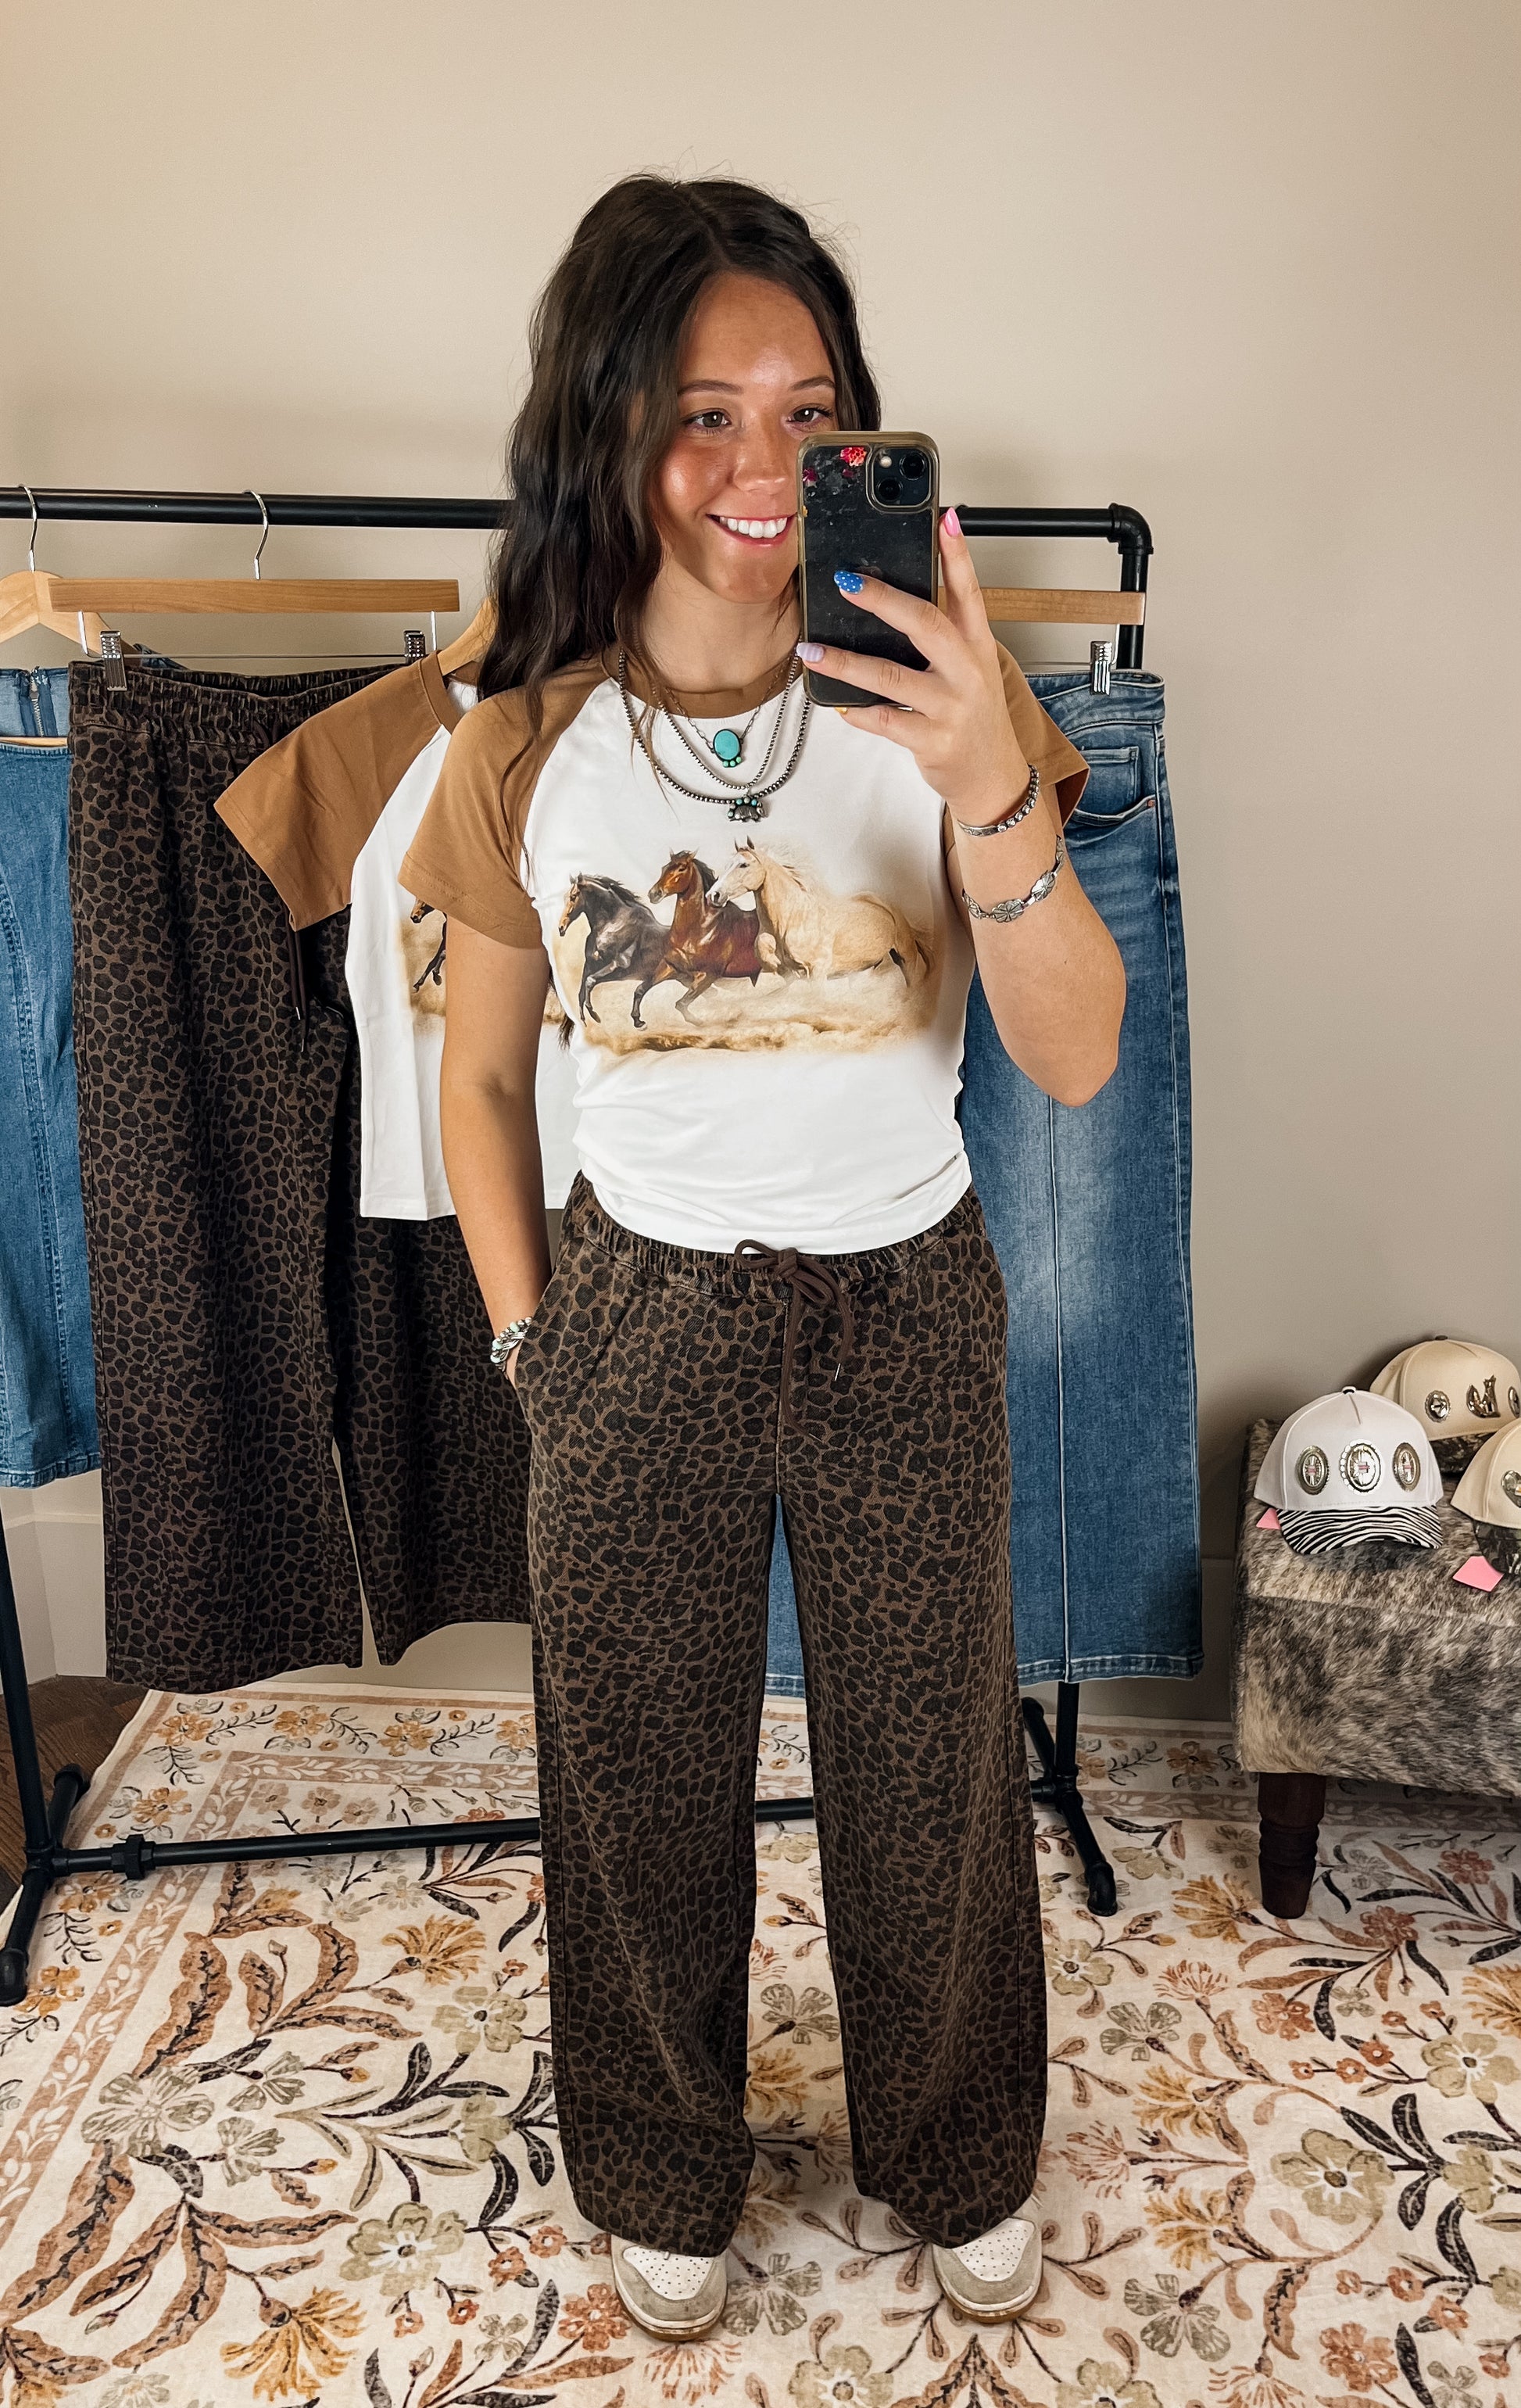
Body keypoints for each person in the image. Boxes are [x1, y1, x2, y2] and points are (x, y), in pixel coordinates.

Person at [401, 173, 1126, 2341]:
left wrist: (985, 780)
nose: (760, 465)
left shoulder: (947, 707)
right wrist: (532, 1344)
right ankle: (659, 2168)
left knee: (931, 1771)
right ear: (609, 429)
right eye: (702, 413)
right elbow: (479, 1080)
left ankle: (958, 2148)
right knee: (634, 1769)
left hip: (905, 1295)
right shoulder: (517, 743)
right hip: (638, 1307)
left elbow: (1077, 1056)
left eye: (809, 414)